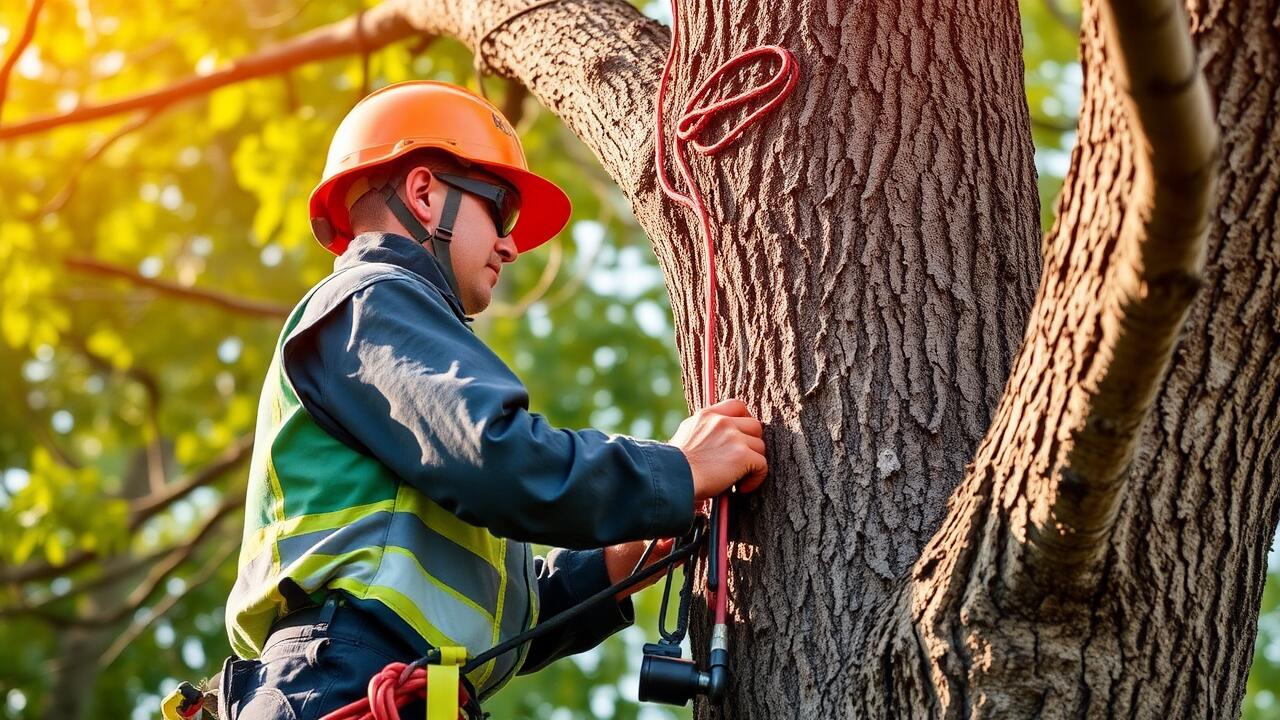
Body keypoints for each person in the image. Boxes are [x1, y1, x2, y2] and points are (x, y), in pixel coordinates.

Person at [218, 81, 768, 720]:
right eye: (499, 210)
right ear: (425, 195)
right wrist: (674, 470)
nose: (510, 244)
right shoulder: (373, 299)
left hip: (393, 688)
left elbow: (506, 613)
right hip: (344, 681)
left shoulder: (389, 342)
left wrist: (622, 554)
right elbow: (499, 459)